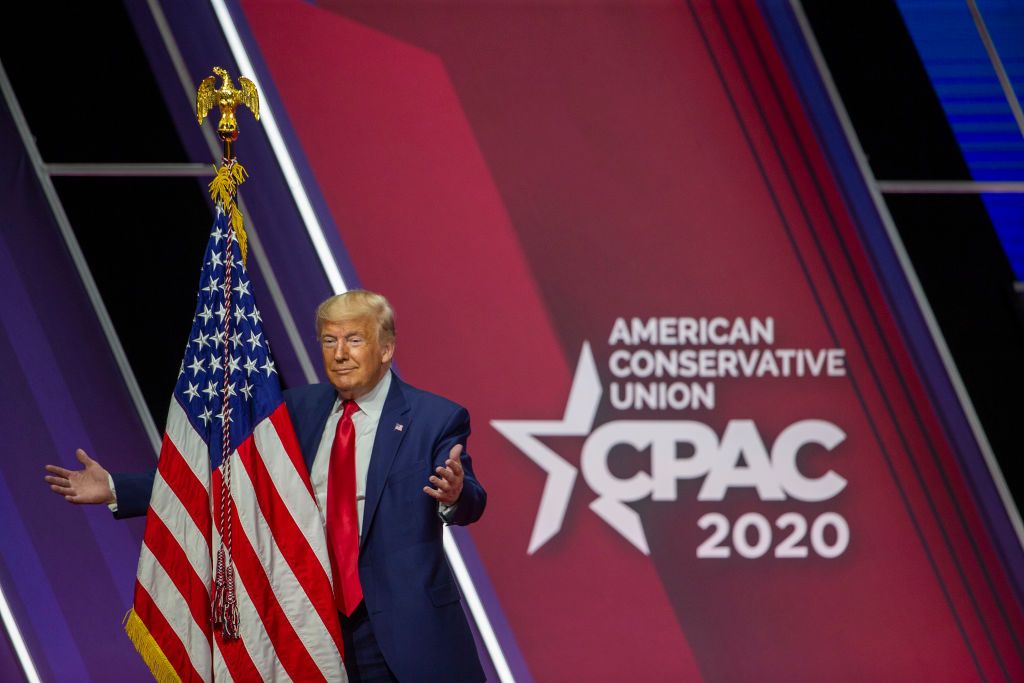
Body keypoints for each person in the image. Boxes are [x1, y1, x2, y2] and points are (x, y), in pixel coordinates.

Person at [44, 289, 487, 683]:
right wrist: (117, 488)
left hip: (406, 631)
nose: (340, 354)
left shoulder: (435, 419)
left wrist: (454, 495)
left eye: (354, 340)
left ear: (386, 348)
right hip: (311, 621)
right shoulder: (296, 410)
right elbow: (222, 474)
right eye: (330, 341)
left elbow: (471, 499)